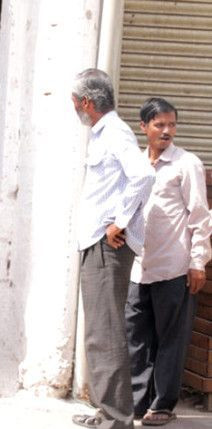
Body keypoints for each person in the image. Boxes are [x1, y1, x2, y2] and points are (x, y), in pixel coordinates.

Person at [70, 69, 155, 429]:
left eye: (75, 102)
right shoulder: (103, 133)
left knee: (104, 332)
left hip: (107, 247)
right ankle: (108, 411)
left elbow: (143, 175)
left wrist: (119, 222)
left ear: (87, 102)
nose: (74, 108)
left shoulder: (114, 132)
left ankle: (117, 418)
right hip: (96, 242)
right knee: (99, 332)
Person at [125, 98, 211, 426]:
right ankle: (137, 402)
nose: (167, 131)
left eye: (172, 125)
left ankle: (162, 404)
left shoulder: (186, 163)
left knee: (171, 338)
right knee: (137, 336)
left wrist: (198, 261)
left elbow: (200, 217)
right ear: (143, 127)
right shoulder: (135, 162)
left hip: (174, 266)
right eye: (159, 125)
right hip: (138, 266)